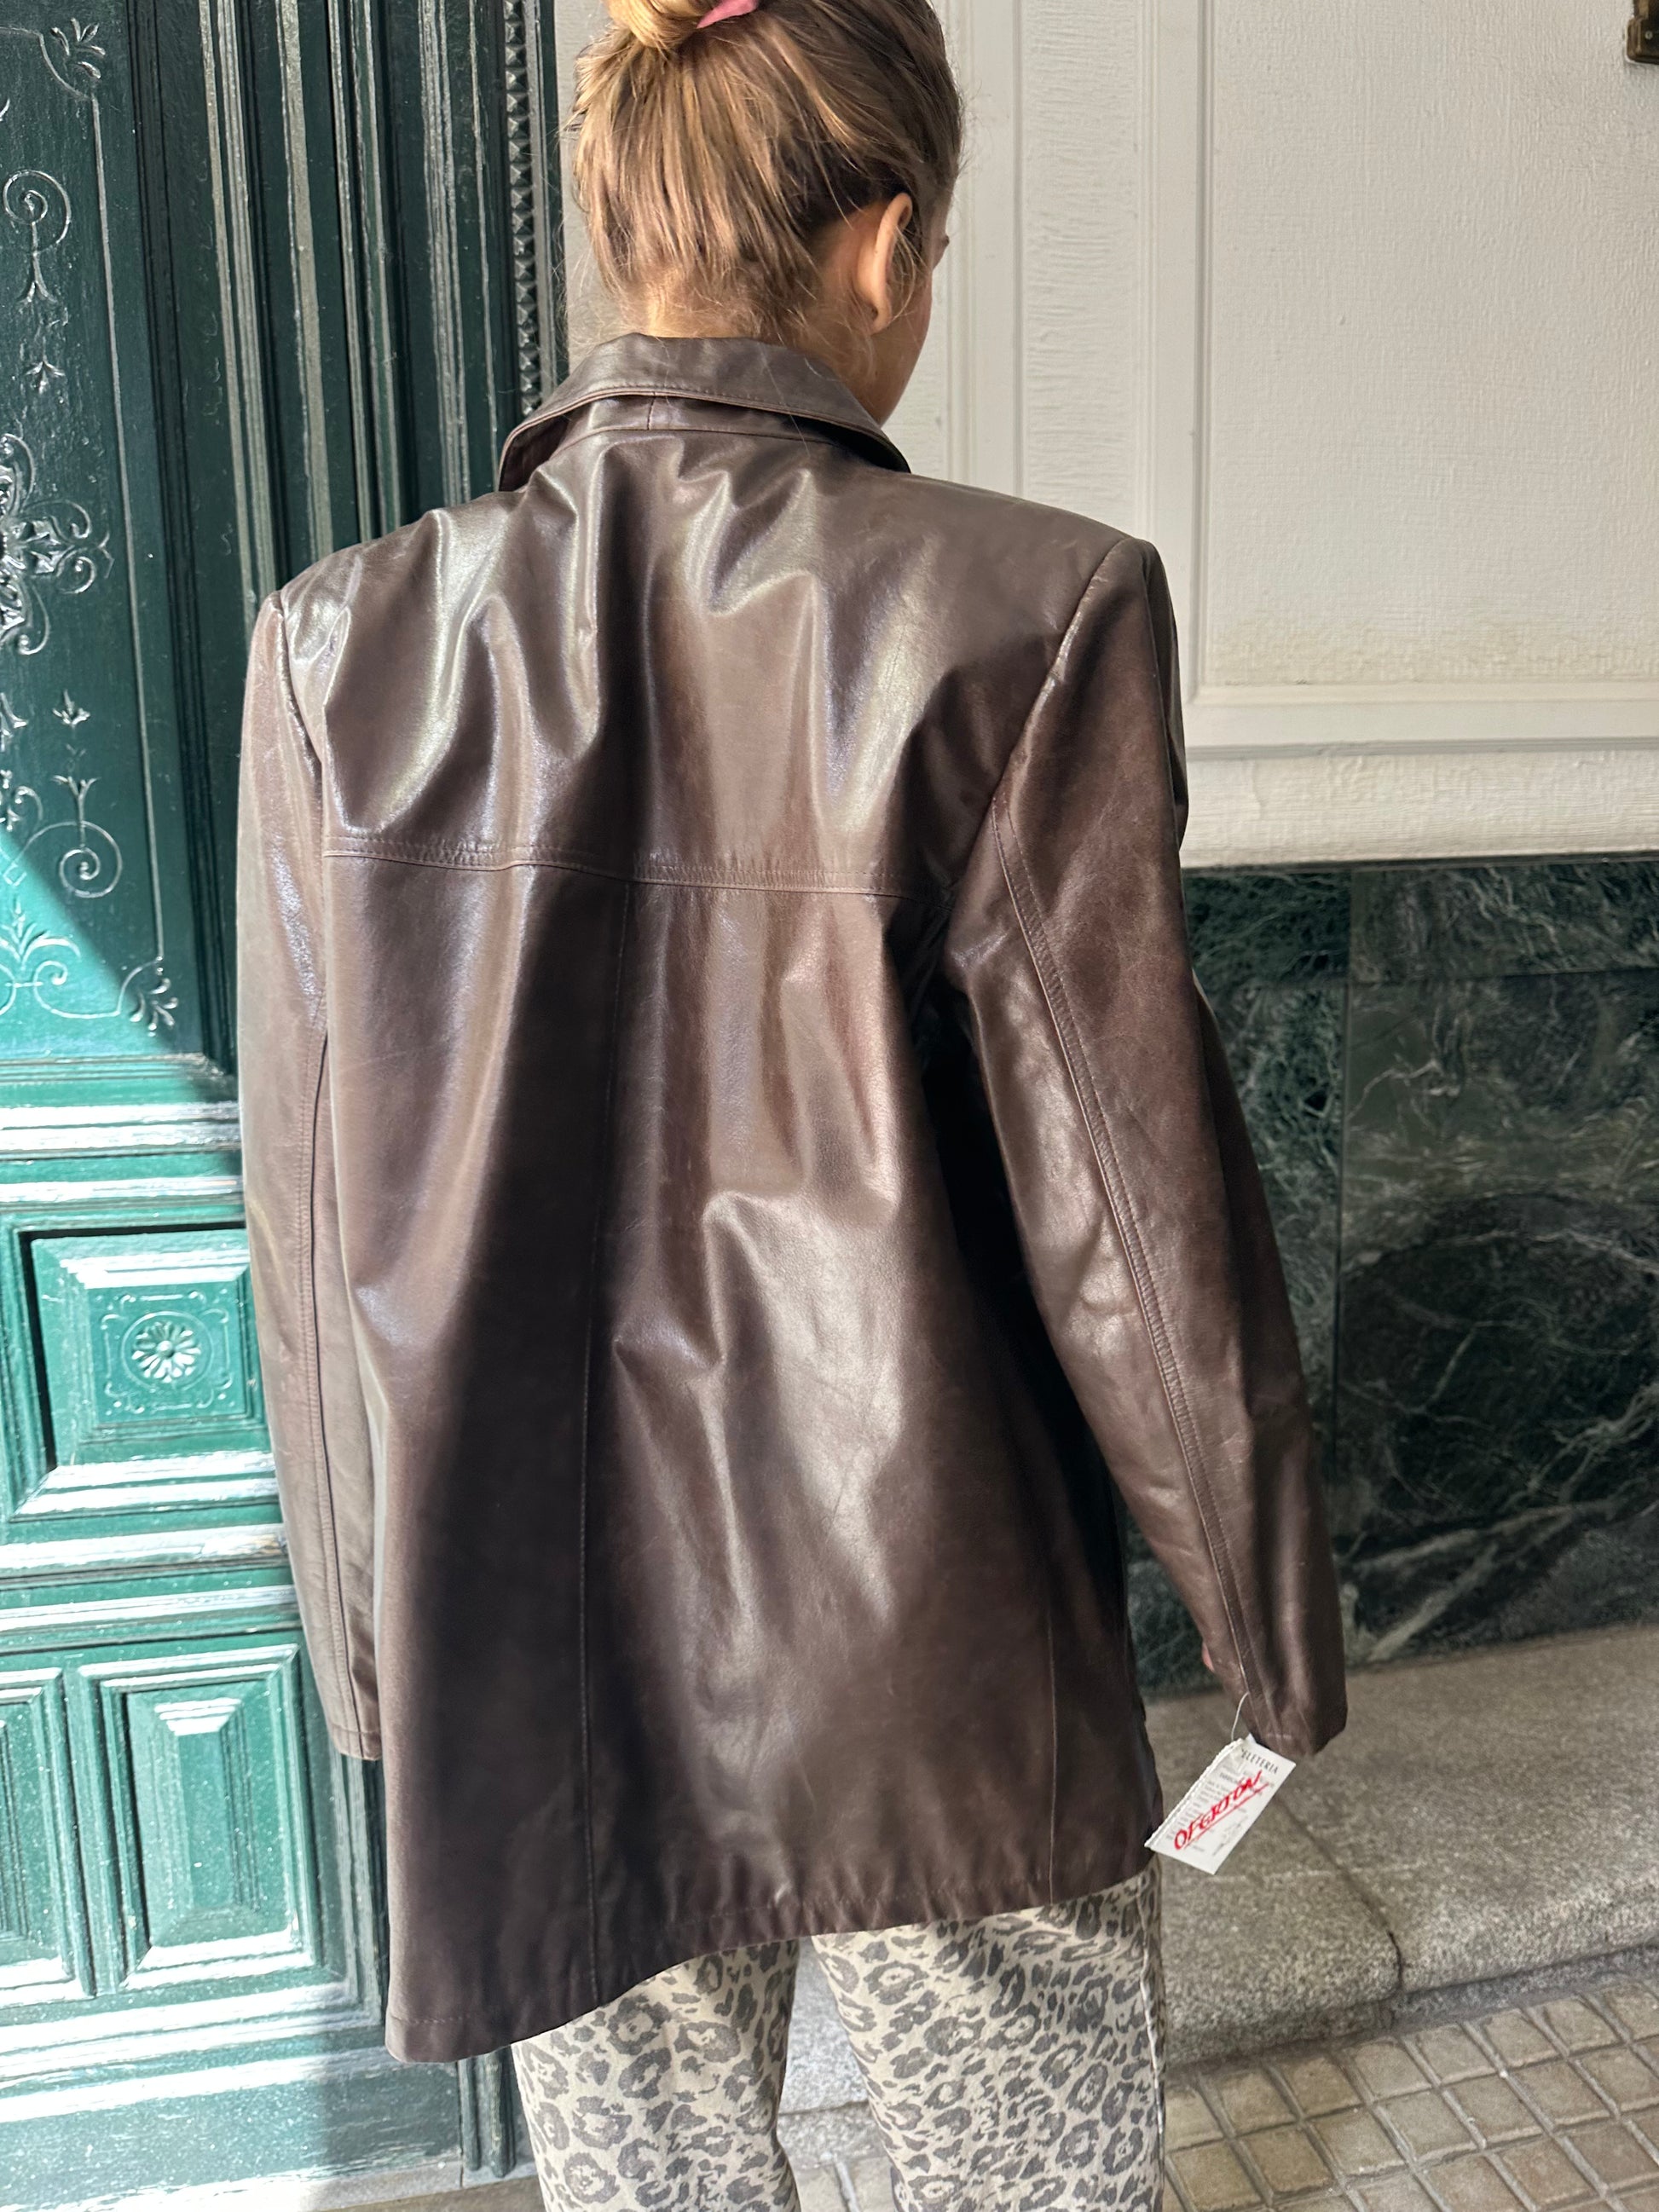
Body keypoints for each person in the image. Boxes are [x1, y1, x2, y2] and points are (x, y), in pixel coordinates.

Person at [234, 0, 1347, 2204]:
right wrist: (1267, 1635)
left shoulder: (336, 649)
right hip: (944, 1654)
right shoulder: (1029, 617)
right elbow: (1137, 1229)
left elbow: (313, 1226)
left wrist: (378, 1664)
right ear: (885, 243)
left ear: (622, 227)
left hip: (542, 1673)